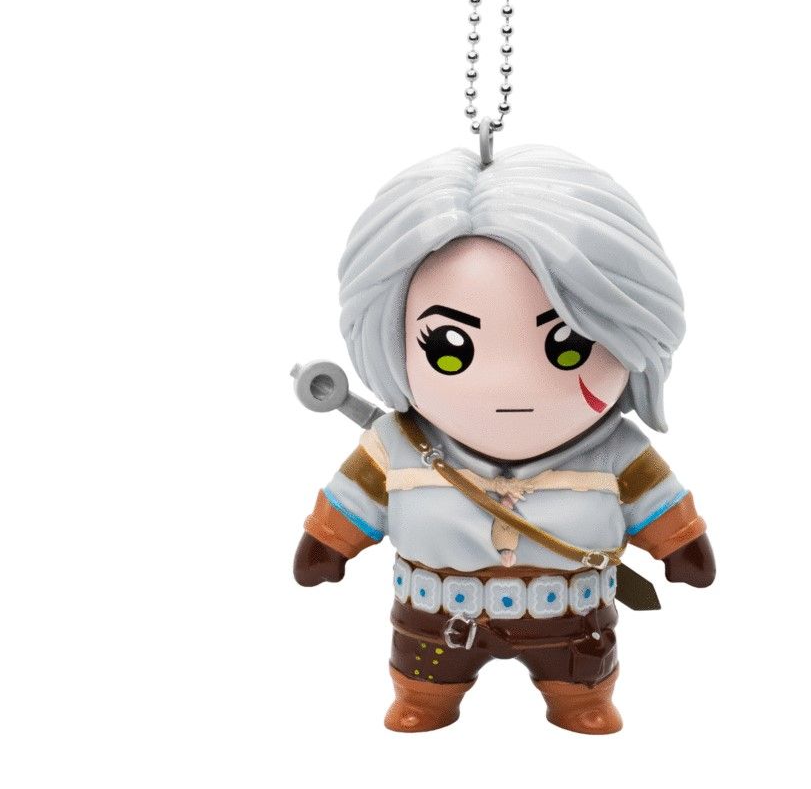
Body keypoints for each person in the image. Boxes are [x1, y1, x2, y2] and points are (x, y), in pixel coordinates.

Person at [293, 144, 715, 733]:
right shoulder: (396, 444)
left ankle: (582, 699)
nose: (509, 383)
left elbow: (659, 503)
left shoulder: (617, 452)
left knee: (581, 679)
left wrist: (679, 544)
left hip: (573, 618)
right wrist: (328, 541)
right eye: (449, 349)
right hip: (436, 615)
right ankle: (425, 698)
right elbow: (352, 500)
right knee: (425, 675)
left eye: (567, 345)